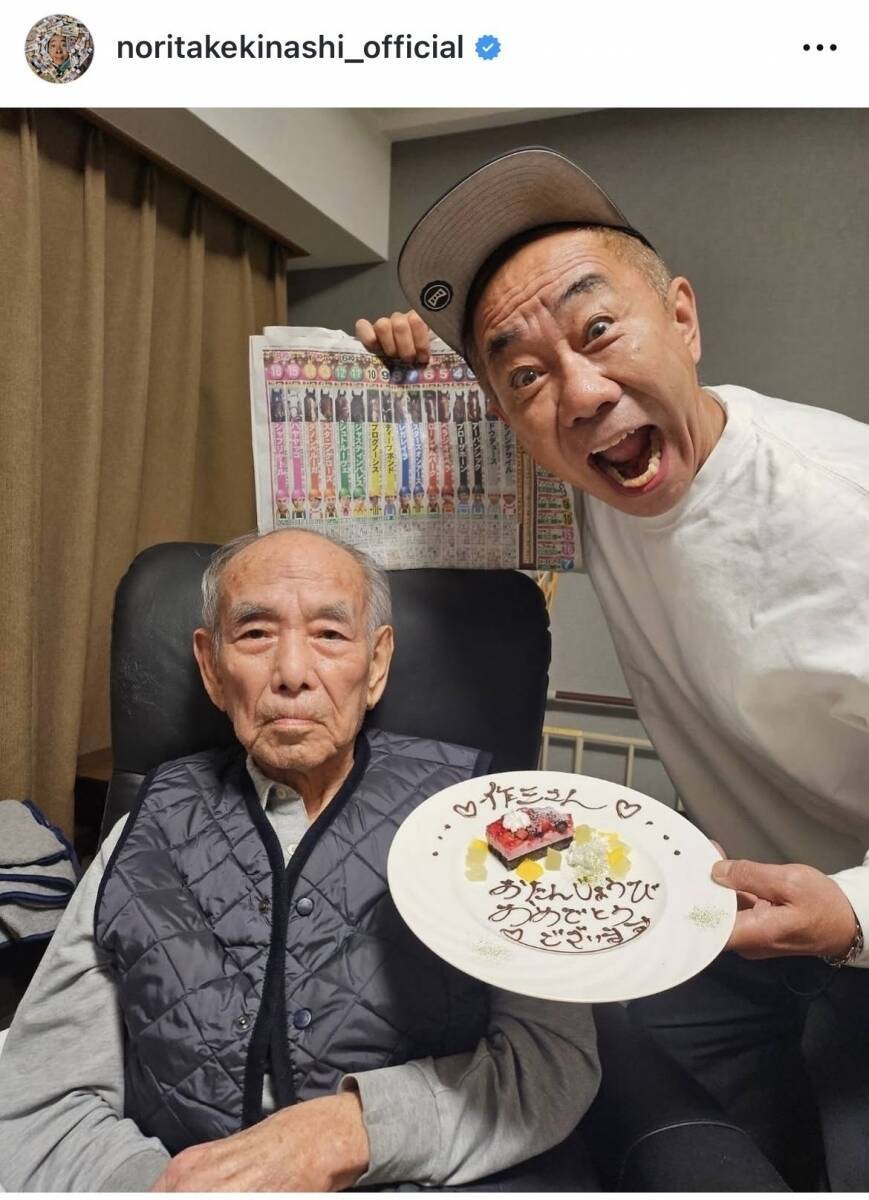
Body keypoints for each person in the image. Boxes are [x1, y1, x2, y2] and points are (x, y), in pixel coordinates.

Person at [356, 146, 869, 1190]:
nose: (581, 394)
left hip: (847, 911)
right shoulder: (586, 479)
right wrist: (411, 376)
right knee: (649, 1101)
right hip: (735, 908)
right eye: (524, 374)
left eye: (597, 331)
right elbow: (403, 493)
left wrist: (853, 912)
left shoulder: (841, 508)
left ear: (681, 318)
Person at [0, 527, 599, 1192]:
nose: (291, 673)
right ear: (212, 668)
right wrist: (168, 1185)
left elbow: (551, 1060)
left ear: (376, 664)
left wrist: (355, 1130)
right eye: (255, 634)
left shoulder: (491, 821)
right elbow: (40, 1097)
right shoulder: (144, 831)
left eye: (329, 635)